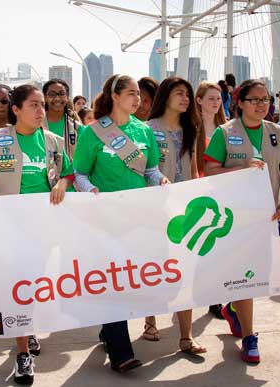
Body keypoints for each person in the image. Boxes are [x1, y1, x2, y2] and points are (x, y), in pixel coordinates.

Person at [0, 84, 74, 385]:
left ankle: (29, 327)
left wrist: (62, 184)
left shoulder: (54, 142)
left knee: (36, 285)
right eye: (33, 105)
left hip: (45, 229)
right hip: (9, 230)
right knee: (19, 287)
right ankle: (23, 353)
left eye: (42, 105)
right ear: (16, 110)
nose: (40, 111)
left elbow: (69, 174)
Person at [73, 74, 162, 374]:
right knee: (112, 279)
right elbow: (79, 174)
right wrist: (89, 191)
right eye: (131, 94)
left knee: (130, 278)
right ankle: (121, 353)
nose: (138, 99)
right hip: (104, 218)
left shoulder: (143, 131)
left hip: (137, 216)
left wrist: (159, 179)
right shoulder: (93, 133)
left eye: (139, 94)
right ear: (115, 96)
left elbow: (150, 170)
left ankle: (108, 330)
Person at [204, 79, 280, 363]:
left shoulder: (278, 133)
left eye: (266, 99)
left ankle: (233, 309)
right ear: (240, 103)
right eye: (254, 99)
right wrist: (242, 168)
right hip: (234, 219)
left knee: (255, 278)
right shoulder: (225, 133)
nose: (261, 105)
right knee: (247, 279)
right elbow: (210, 170)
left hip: (268, 218)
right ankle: (249, 336)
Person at [143, 77, 207, 353]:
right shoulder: (147, 129)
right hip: (155, 210)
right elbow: (145, 170)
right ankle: (150, 320)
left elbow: (193, 169)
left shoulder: (190, 128)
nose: (186, 98)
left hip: (184, 211)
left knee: (185, 271)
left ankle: (186, 336)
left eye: (188, 94)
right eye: (180, 93)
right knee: (154, 268)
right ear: (165, 96)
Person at [194, 81, 228, 318]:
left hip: (221, 192)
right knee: (198, 247)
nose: (215, 103)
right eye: (210, 98)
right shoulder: (192, 128)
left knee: (218, 248)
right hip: (197, 193)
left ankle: (215, 299)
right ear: (199, 100)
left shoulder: (227, 128)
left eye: (218, 98)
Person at [42, 79, 80, 160]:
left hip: (70, 172)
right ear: (45, 97)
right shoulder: (35, 126)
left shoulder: (77, 127)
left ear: (67, 97)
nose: (57, 98)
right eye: (52, 94)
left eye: (62, 94)